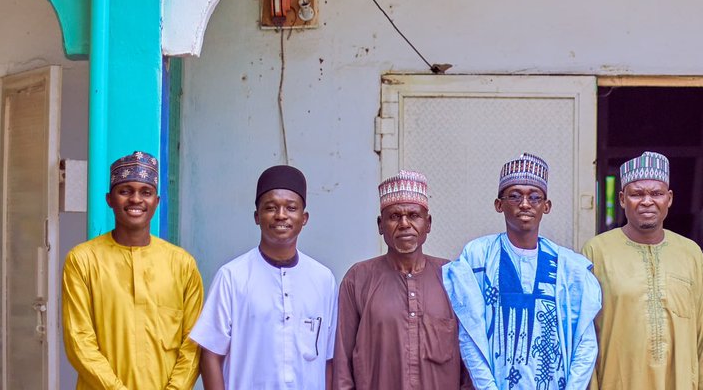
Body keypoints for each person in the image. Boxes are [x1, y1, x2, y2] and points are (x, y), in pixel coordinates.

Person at [442, 152, 602, 390]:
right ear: (499, 204)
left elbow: (585, 343)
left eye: (534, 197)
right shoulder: (477, 257)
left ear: (546, 206)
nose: (525, 204)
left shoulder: (569, 267)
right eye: (515, 196)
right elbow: (469, 335)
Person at [62, 151, 204, 390]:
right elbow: (79, 341)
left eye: (146, 192)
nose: (136, 199)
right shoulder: (82, 260)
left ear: (157, 201)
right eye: (125, 191)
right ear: (109, 199)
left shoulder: (182, 265)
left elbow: (193, 344)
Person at [582, 151, 703, 390]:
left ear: (669, 198)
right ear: (622, 199)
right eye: (637, 194)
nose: (647, 201)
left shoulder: (690, 253)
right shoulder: (597, 252)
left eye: (656, 193)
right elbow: (584, 337)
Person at [191, 164, 338, 389]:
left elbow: (329, 358)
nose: (281, 215)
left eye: (291, 208)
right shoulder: (232, 276)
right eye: (271, 208)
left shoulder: (323, 279)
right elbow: (210, 354)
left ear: (304, 218)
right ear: (257, 216)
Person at [333, 171, 467, 389]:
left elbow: (469, 361)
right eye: (394, 216)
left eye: (413, 215)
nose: (404, 223)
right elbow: (342, 367)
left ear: (428, 223)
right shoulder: (358, 279)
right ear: (380, 225)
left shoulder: (453, 277)